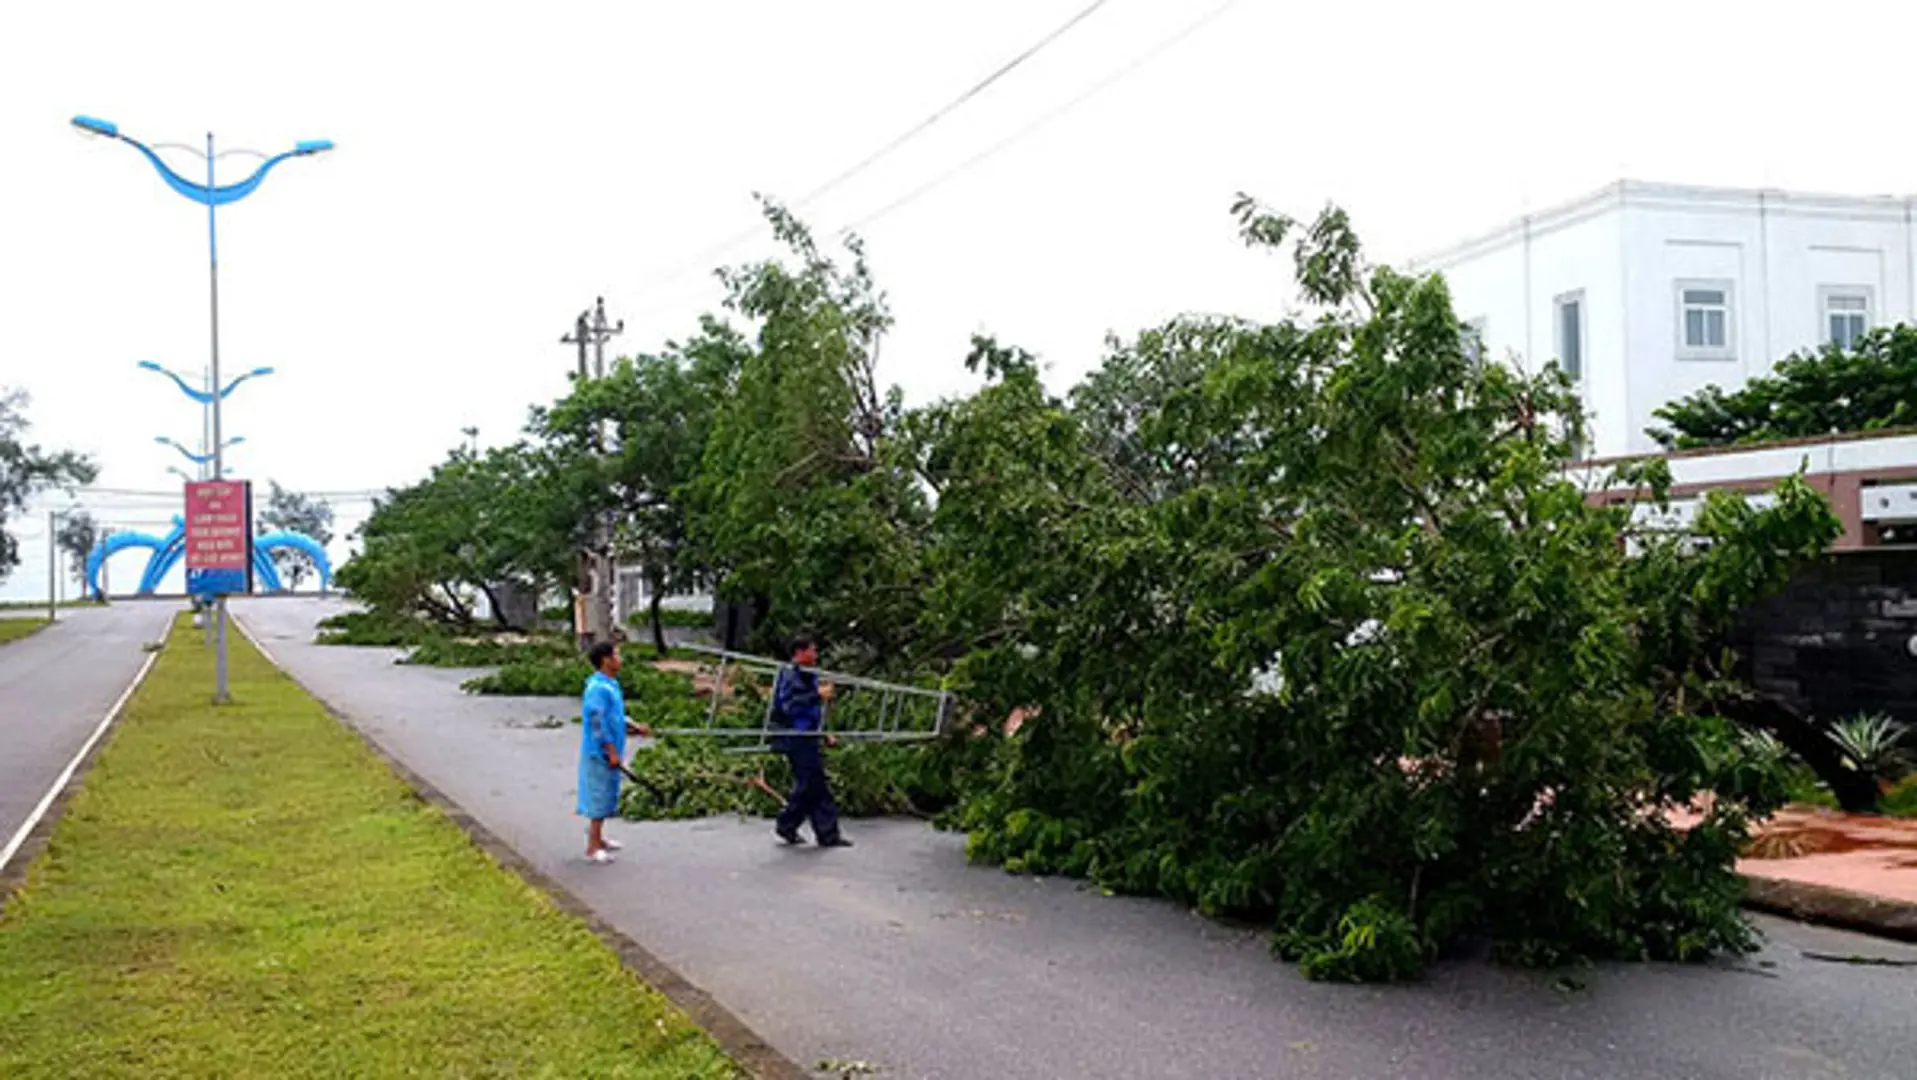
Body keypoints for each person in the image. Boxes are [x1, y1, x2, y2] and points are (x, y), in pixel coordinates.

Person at [772, 635, 851, 848]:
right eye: (812, 650)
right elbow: (790, 706)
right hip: (794, 737)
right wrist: (816, 695)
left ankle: (790, 826)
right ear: (800, 652)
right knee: (813, 784)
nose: (815, 655)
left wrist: (823, 733)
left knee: (811, 785)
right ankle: (822, 833)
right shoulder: (789, 675)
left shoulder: (809, 675)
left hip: (807, 735)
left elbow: (813, 713)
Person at [578, 640, 649, 863]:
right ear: (606, 660)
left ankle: (600, 838)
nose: (621, 659)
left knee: (608, 792)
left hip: (611, 748)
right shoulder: (597, 689)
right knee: (598, 795)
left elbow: (614, 715)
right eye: (617, 655)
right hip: (599, 752)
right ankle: (592, 846)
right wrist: (610, 750)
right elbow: (597, 722)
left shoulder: (610, 684)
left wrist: (632, 726)